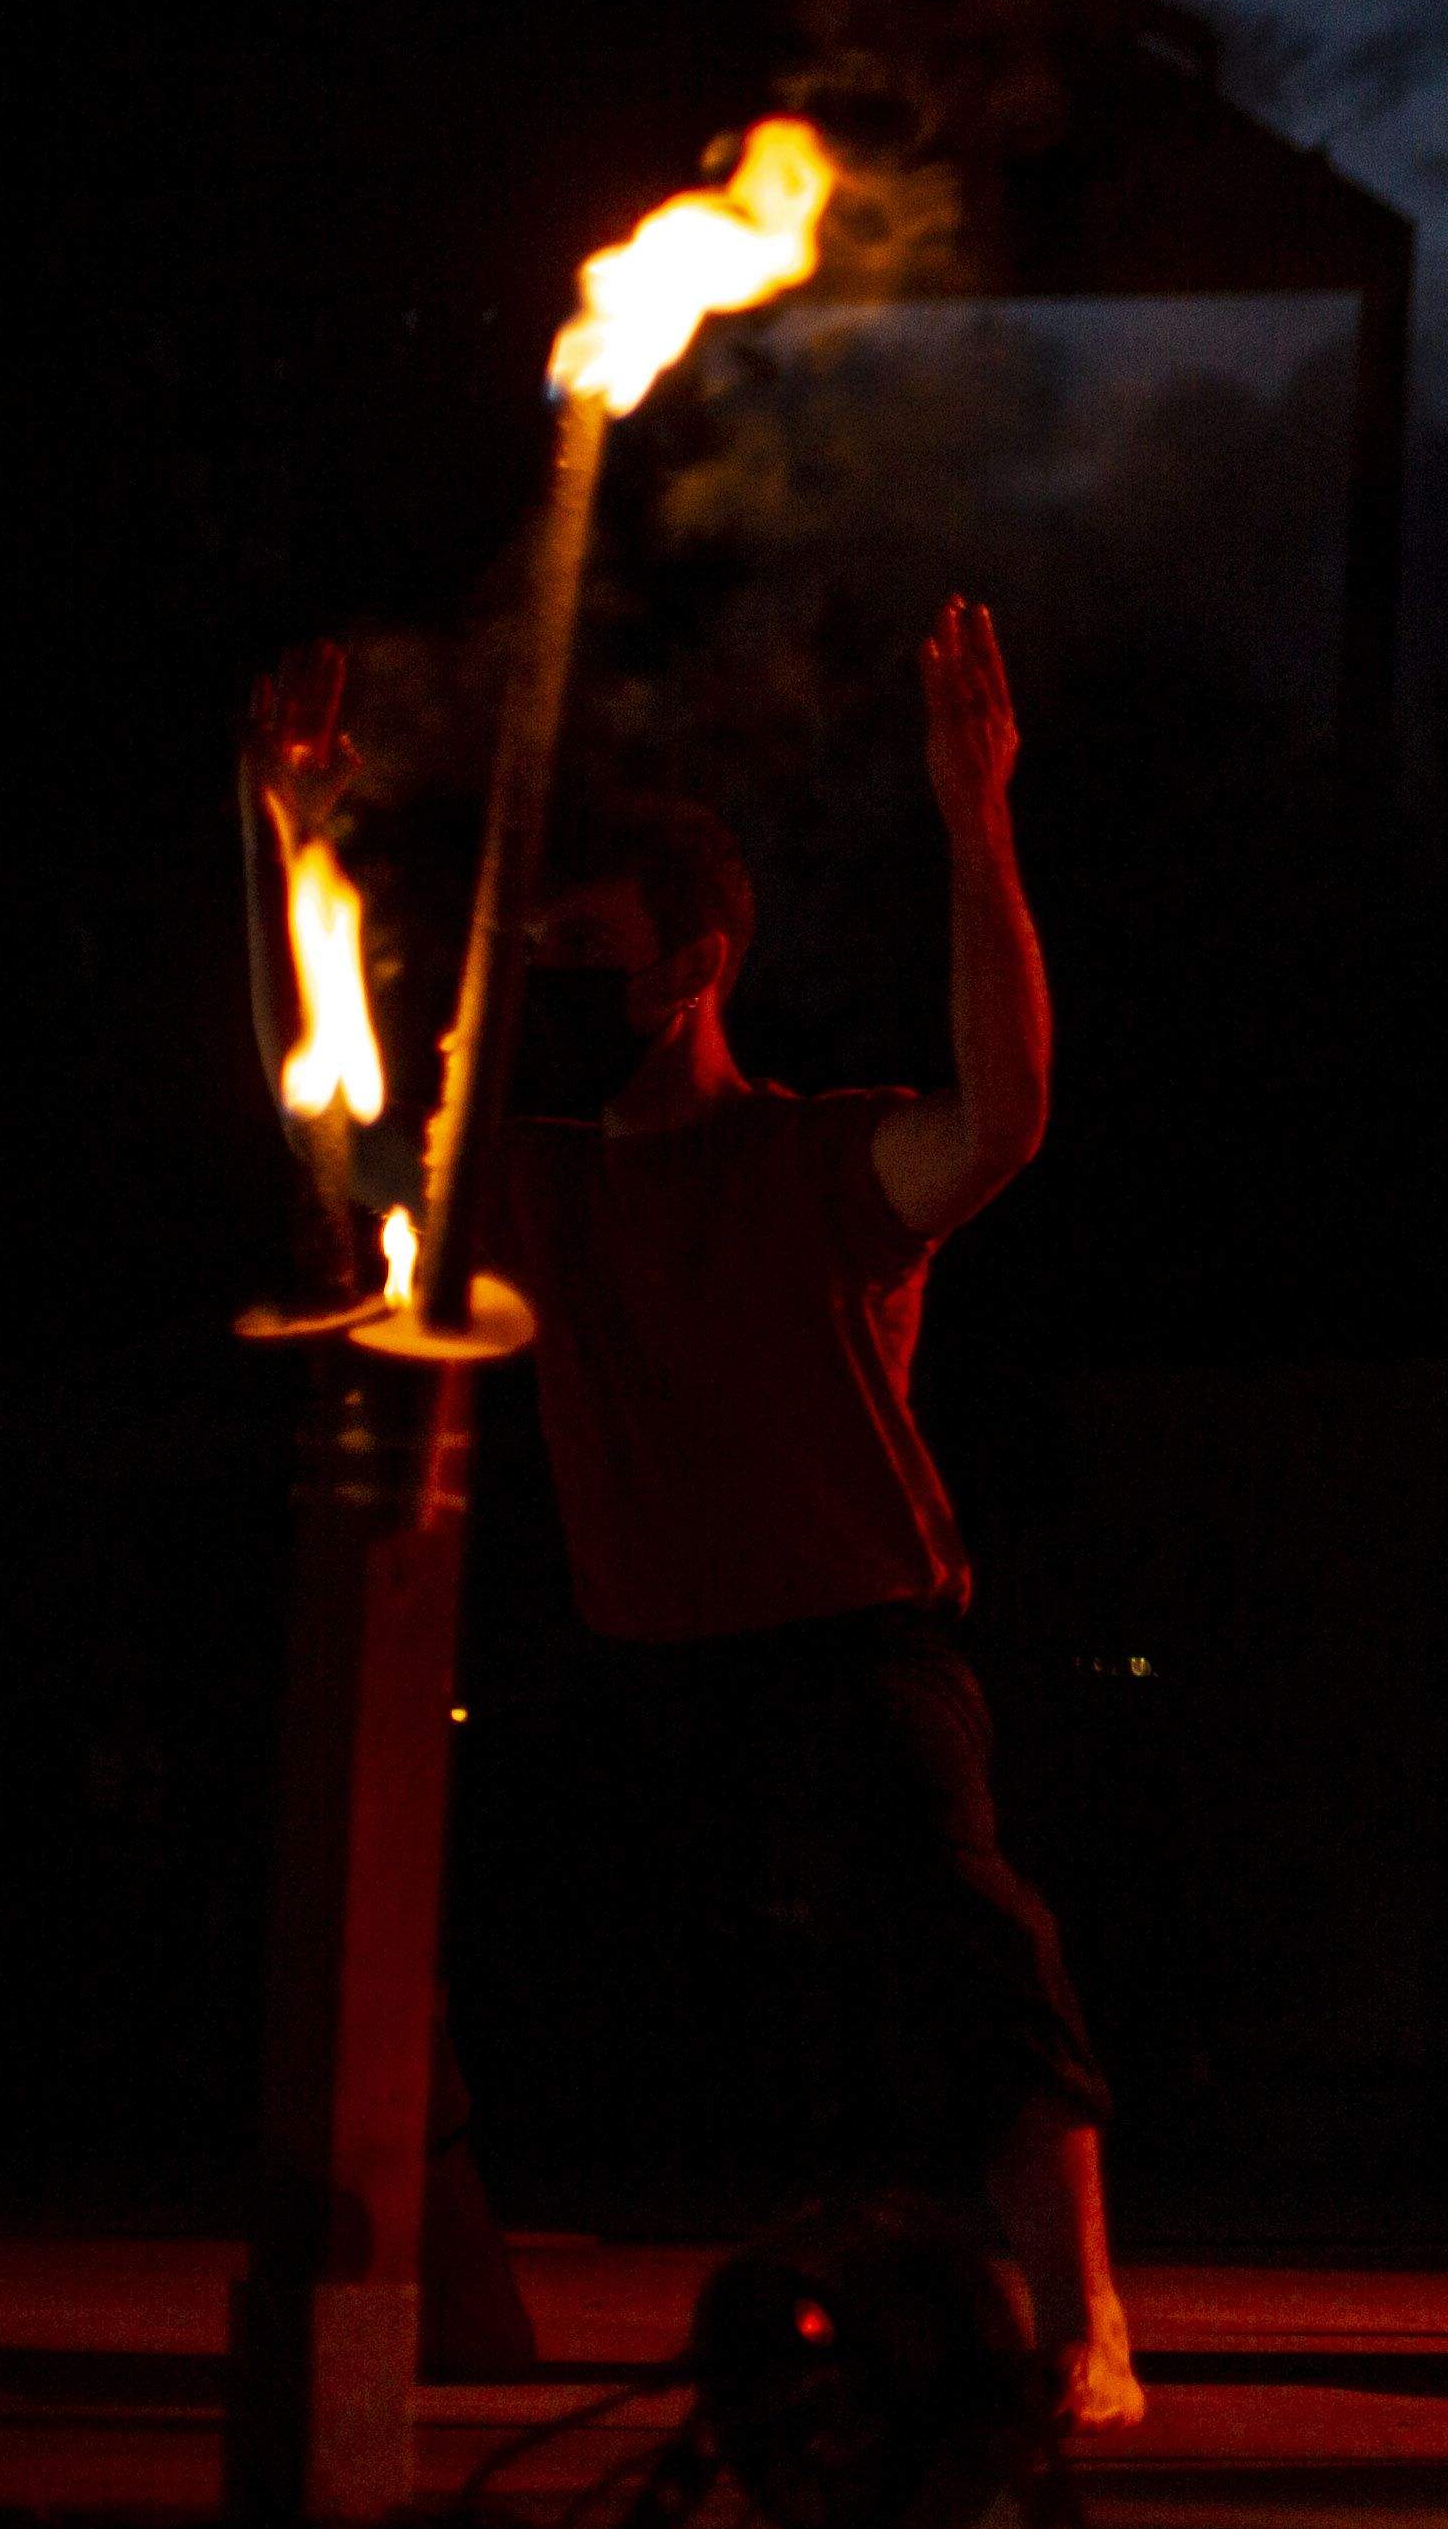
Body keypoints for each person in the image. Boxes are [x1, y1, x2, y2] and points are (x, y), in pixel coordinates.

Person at [475, 598, 1138, 2429]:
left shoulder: (811, 1158)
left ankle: (1086, 2323)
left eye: (585, 961)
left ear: (692, 967)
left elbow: (1002, 1120)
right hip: (640, 1657)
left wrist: (974, 816)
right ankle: (470, 2283)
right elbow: (333, 1147)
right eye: (531, 962)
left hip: (853, 1638)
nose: (550, 999)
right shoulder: (531, 1184)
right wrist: (278, 838)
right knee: (603, 1977)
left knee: (971, 1943)